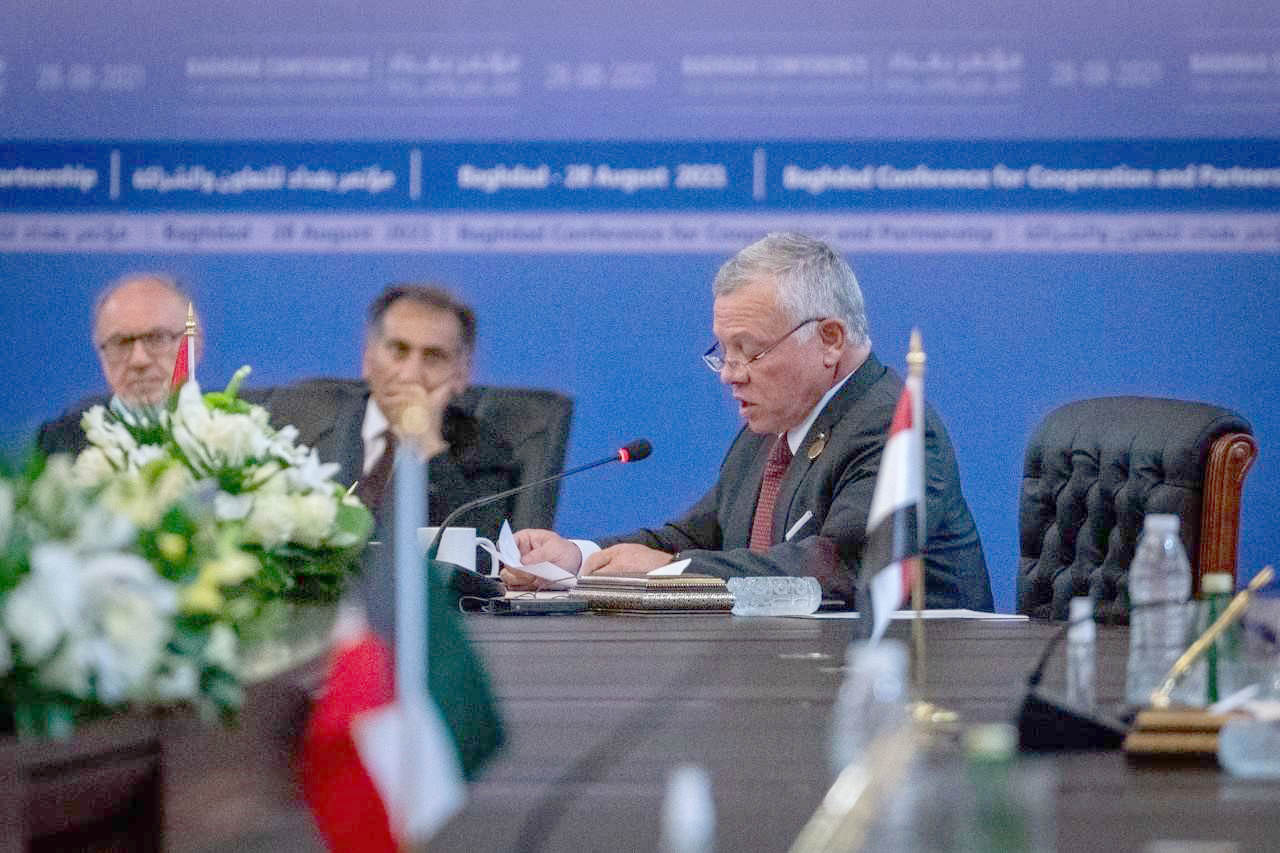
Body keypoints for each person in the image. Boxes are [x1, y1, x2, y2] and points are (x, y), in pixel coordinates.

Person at [505, 233, 993, 610]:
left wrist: (672, 570)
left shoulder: (894, 428)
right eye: (724, 352)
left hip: (912, 685)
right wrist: (577, 557)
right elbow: (698, 536)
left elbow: (839, 568)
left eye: (749, 350)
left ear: (829, 339)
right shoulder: (772, 429)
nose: (730, 374)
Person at [263, 284, 520, 539]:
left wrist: (427, 444)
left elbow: (480, 552)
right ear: (368, 358)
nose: (410, 375)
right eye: (398, 351)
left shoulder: (485, 451)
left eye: (433, 357)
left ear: (462, 373)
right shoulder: (301, 431)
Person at [36, 273, 199, 457]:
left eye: (157, 338)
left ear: (195, 346)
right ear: (101, 353)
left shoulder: (225, 425)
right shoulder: (63, 441)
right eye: (120, 343)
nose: (139, 360)